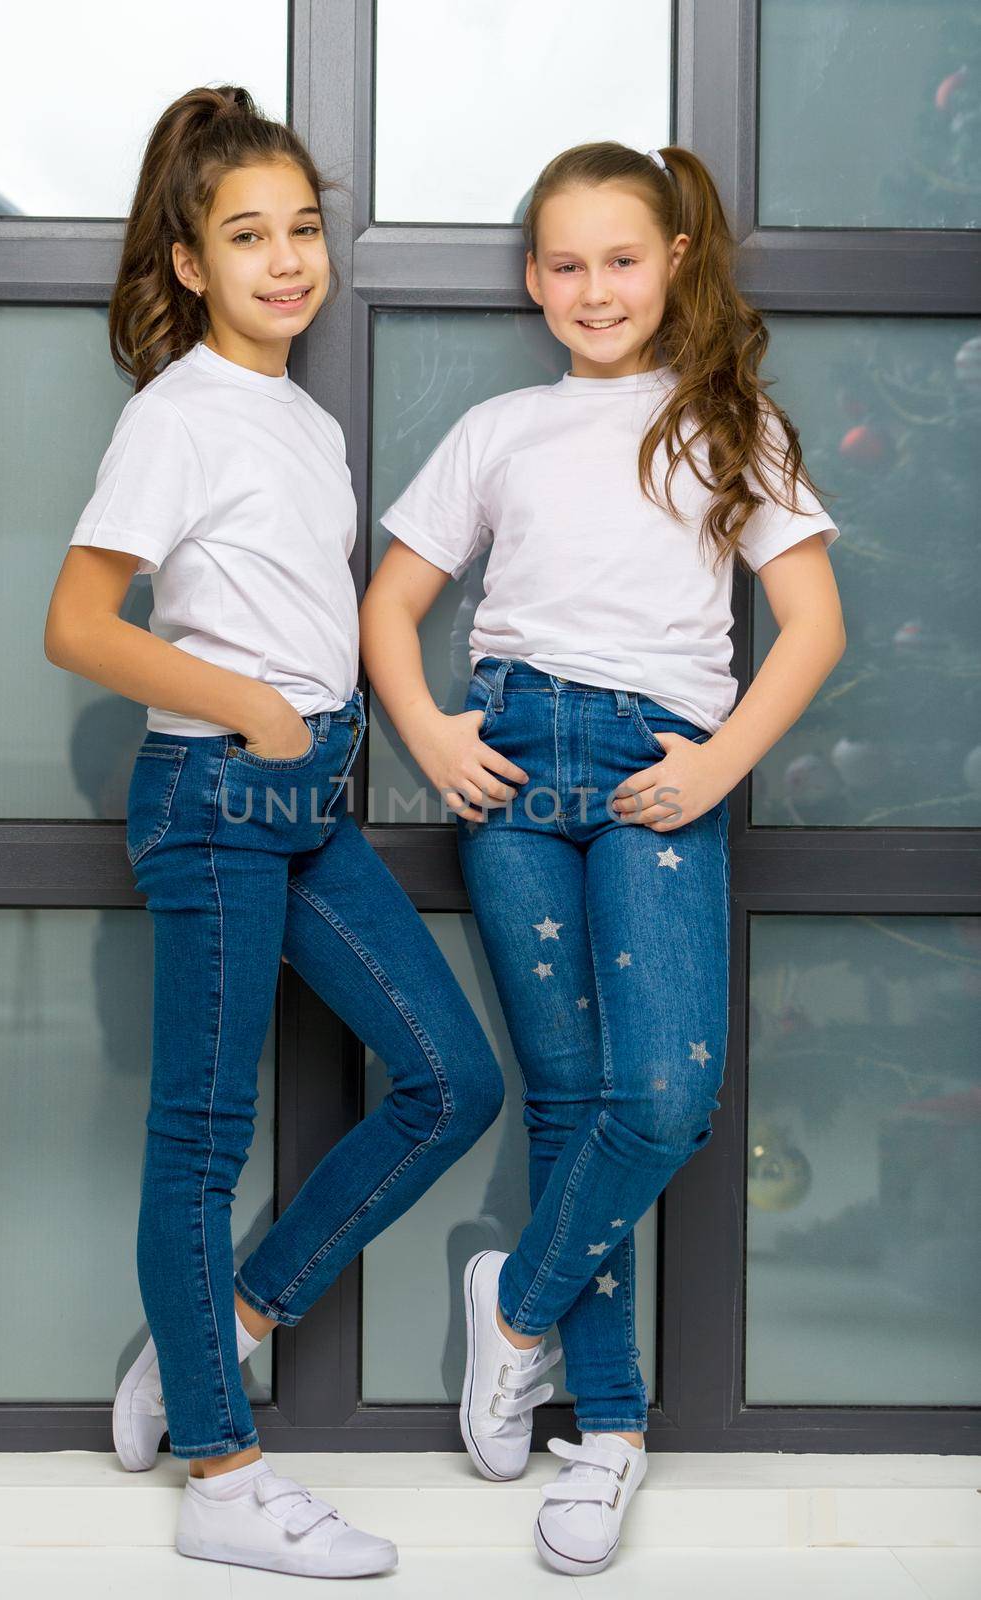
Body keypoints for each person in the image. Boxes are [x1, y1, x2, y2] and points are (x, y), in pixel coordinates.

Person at [360, 140, 846, 1577]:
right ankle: (611, 1433)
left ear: (673, 261)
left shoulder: (729, 421)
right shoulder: (502, 430)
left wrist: (714, 764)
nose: (594, 288)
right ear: (532, 282)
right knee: (573, 1104)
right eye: (564, 266)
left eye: (620, 259)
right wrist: (434, 738)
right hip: (511, 765)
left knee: (669, 1095)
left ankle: (515, 1308)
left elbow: (810, 625)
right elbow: (391, 606)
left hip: (658, 770)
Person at [44, 85, 506, 1581]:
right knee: (199, 1142)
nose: (287, 259)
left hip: (307, 809)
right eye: (248, 235)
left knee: (452, 1081)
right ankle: (225, 1475)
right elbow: (76, 625)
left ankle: (221, 1331)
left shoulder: (301, 415)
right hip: (220, 801)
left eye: (304, 227)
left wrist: (311, 734)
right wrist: (251, 707)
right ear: (188, 262)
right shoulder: (175, 415)